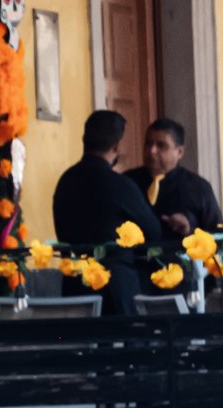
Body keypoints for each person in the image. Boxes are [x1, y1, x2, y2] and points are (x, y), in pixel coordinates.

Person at [52, 108, 162, 313]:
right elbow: (154, 232)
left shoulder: (66, 181)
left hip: (74, 286)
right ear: (117, 145)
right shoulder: (121, 185)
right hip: (115, 289)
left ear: (84, 139)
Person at [142, 119, 223, 243]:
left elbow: (219, 236)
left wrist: (189, 229)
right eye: (148, 143)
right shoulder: (128, 182)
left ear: (179, 152)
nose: (152, 150)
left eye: (161, 145)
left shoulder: (198, 187)